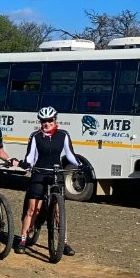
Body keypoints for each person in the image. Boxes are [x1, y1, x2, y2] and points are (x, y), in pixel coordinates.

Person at [16, 107, 82, 256]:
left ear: (55, 120)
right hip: (39, 173)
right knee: (33, 209)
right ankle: (23, 239)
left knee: (59, 210)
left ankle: (63, 242)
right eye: (43, 121)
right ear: (40, 121)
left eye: (50, 120)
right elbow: (30, 156)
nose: (47, 123)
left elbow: (70, 154)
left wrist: (80, 165)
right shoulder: (35, 136)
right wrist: (27, 164)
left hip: (56, 173)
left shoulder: (63, 135)